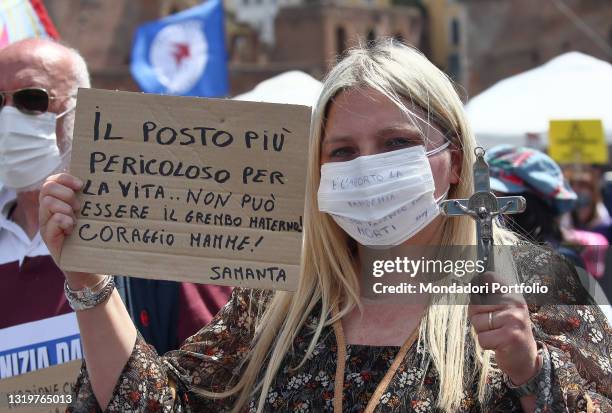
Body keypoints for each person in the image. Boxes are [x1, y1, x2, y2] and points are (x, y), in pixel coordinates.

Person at [40, 40, 610, 412]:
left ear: (454, 159)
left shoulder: (542, 284)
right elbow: (155, 403)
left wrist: (529, 371)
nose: (367, 167)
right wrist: (88, 281)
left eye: (396, 144)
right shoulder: (278, 296)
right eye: (342, 151)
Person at [0, 38, 231, 352]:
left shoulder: (151, 231)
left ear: (81, 110)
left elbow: (213, 365)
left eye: (32, 99)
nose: (9, 117)